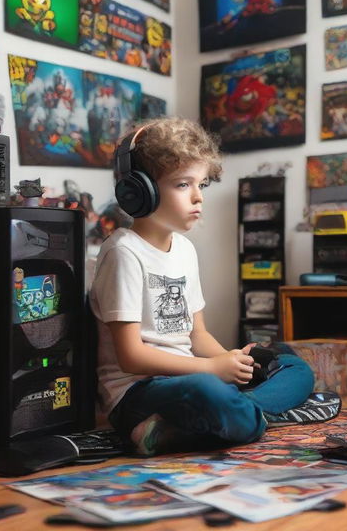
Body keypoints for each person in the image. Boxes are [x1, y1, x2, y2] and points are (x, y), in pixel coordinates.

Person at [90, 117, 314, 456]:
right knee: (207, 390)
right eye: (183, 185)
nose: (198, 197)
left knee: (295, 366)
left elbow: (197, 337)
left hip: (192, 376)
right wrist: (211, 369)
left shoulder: (184, 250)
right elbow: (131, 356)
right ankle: (245, 417)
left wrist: (229, 360)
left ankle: (192, 428)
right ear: (139, 191)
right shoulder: (123, 251)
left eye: (202, 185)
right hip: (138, 394)